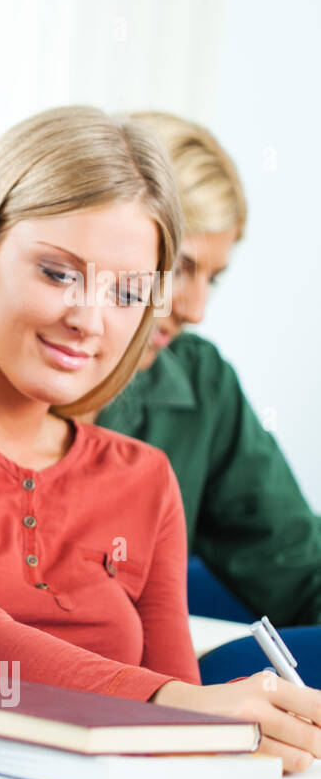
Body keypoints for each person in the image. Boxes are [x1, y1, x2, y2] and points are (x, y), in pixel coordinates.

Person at [0, 106, 321, 771]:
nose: (88, 319)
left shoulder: (144, 478)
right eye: (58, 273)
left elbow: (176, 753)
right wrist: (182, 706)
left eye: (128, 292)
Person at [90, 112, 320, 631]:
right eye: (180, 267)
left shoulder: (199, 380)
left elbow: (297, 566)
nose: (194, 310)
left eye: (212, 278)